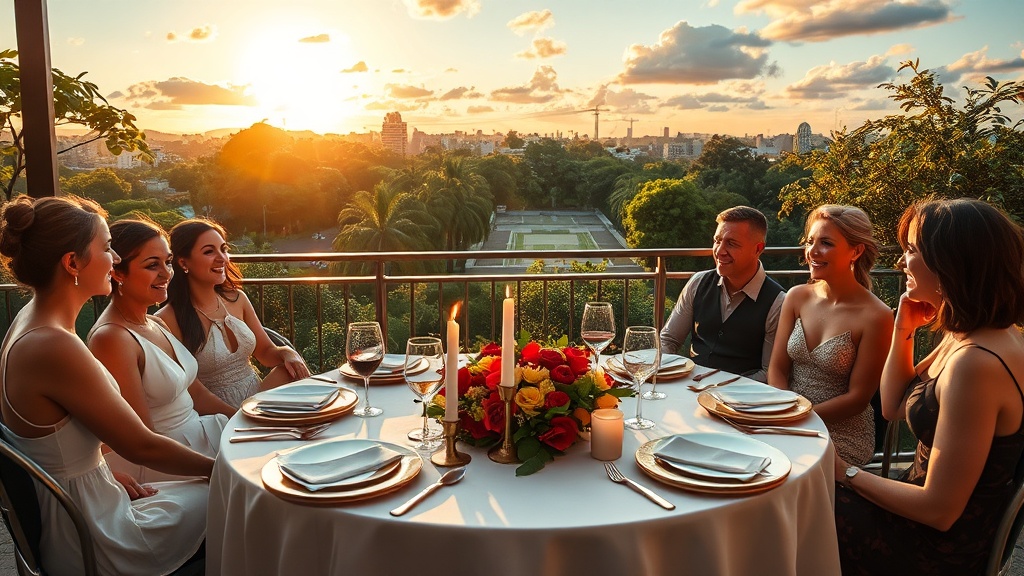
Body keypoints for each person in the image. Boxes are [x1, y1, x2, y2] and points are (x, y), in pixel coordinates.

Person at [0, 196, 213, 576]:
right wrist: (223, 470)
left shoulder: (29, 323)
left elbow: (47, 443)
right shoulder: (53, 344)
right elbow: (140, 444)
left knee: (211, 493)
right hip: (92, 534)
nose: (115, 260)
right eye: (107, 248)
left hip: (88, 502)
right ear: (72, 263)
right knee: (235, 498)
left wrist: (104, 472)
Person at [835, 198, 1024, 575]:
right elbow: (891, 405)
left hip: (935, 548)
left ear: (951, 262)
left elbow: (938, 510)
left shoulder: (976, 363)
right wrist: (904, 328)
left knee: (791, 509)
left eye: (911, 250)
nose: (901, 263)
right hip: (918, 518)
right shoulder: (975, 334)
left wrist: (845, 472)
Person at [88, 218, 234, 483]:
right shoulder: (112, 338)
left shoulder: (154, 322)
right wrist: (218, 469)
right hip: (167, 463)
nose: (167, 273)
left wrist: (245, 419)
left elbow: (197, 393)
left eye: (167, 262)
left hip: (200, 436)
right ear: (118, 273)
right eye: (152, 265)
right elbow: (144, 440)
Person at [767, 205, 893, 465]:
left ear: (855, 251)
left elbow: (858, 399)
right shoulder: (797, 297)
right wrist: (783, 413)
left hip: (841, 433)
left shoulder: (876, 315)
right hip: (788, 418)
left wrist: (801, 419)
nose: (812, 251)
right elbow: (777, 369)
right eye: (810, 241)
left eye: (825, 243)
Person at [157, 218, 309, 408]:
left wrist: (287, 353)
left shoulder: (237, 299)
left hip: (257, 400)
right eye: (209, 251)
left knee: (291, 372)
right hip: (216, 413)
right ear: (183, 262)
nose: (222, 258)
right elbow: (189, 392)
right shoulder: (167, 320)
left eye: (224, 249)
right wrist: (237, 417)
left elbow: (265, 352)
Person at [660, 205, 785, 382]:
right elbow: (668, 340)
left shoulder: (778, 302)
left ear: (758, 249)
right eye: (717, 240)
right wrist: (665, 374)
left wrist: (720, 388)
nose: (719, 251)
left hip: (740, 401)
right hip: (690, 389)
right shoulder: (698, 282)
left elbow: (769, 372)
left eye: (731, 243)